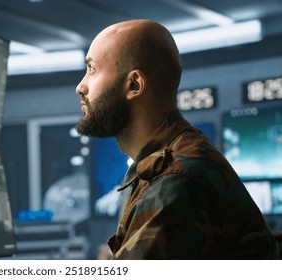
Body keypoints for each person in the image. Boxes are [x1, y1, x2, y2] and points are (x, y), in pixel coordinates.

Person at [75, 19, 278, 259]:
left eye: (92, 69)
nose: (81, 86)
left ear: (134, 84)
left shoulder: (175, 182)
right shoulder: (172, 161)